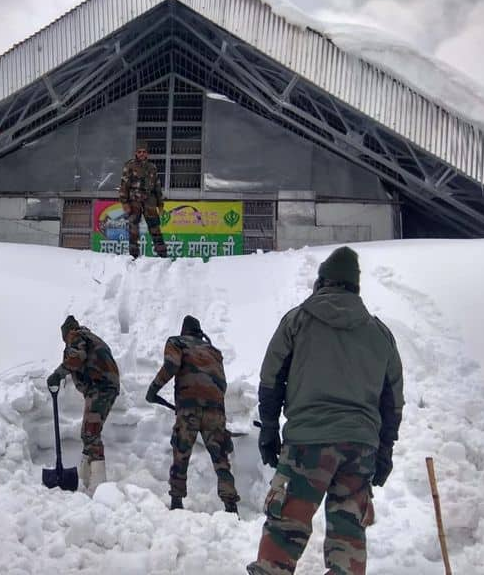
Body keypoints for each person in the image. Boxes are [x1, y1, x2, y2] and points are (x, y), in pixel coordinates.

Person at [247, 246, 404, 575]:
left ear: (321, 283)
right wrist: (384, 450)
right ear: (356, 288)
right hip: (359, 450)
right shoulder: (380, 334)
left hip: (308, 443)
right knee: (348, 535)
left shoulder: (297, 321)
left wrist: (270, 429)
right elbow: (392, 403)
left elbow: (271, 379)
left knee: (285, 528)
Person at [145, 315, 239, 514]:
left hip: (189, 408)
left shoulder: (176, 342)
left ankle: (177, 503)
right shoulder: (213, 351)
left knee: (181, 452)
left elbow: (171, 365)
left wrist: (153, 390)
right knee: (220, 457)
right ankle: (231, 506)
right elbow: (222, 383)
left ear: (184, 331)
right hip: (215, 409)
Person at [46, 315, 120, 491]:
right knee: (88, 433)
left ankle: (99, 485)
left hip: (101, 387)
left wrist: (58, 374)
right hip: (103, 386)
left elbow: (77, 357)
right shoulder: (89, 337)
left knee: (91, 433)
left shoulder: (76, 336)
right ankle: (84, 478)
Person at [119, 140, 168, 259]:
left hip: (149, 200)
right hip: (134, 200)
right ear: (136, 153)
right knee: (133, 227)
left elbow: (157, 186)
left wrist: (160, 204)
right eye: (139, 151)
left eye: (144, 152)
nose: (142, 154)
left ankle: (162, 254)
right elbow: (124, 185)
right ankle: (133, 255)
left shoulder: (152, 167)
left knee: (155, 226)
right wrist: (124, 202)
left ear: (147, 153)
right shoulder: (129, 165)